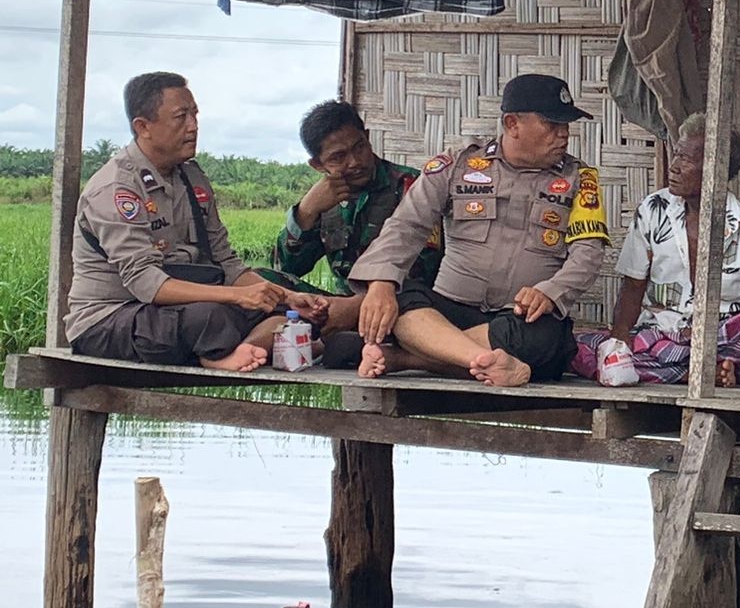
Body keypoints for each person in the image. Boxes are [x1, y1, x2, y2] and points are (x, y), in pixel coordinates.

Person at [345, 73, 610, 387]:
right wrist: (381, 284)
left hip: (519, 319)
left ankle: (408, 358)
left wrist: (550, 292)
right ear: (512, 124)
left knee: (549, 339)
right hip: (449, 311)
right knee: (401, 298)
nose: (563, 134)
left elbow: (588, 254)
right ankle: (490, 362)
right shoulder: (457, 165)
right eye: (552, 124)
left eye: (566, 125)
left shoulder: (579, 179)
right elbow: (407, 225)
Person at [65, 72, 325, 371]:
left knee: (287, 311)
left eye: (195, 115)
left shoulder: (192, 178)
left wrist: (288, 297)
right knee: (209, 316)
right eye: (181, 117)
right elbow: (147, 284)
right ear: (143, 127)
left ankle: (238, 349)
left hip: (179, 309)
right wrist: (238, 296)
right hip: (113, 318)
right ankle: (221, 352)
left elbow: (226, 263)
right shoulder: (117, 188)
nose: (193, 126)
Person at [571, 113, 740, 388]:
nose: (673, 167)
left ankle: (703, 369)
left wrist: (712, 341)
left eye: (685, 159)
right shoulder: (653, 210)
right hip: (659, 335)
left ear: (716, 167)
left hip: (720, 339)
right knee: (576, 349)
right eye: (676, 155)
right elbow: (633, 287)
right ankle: (706, 374)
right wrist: (619, 340)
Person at [263, 100, 443, 333]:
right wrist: (306, 211)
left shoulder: (412, 187)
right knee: (264, 281)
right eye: (339, 157)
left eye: (359, 147)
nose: (355, 162)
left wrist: (357, 306)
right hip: (338, 304)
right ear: (318, 164)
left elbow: (424, 271)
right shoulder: (324, 197)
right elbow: (286, 268)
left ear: (367, 137)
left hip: (400, 303)